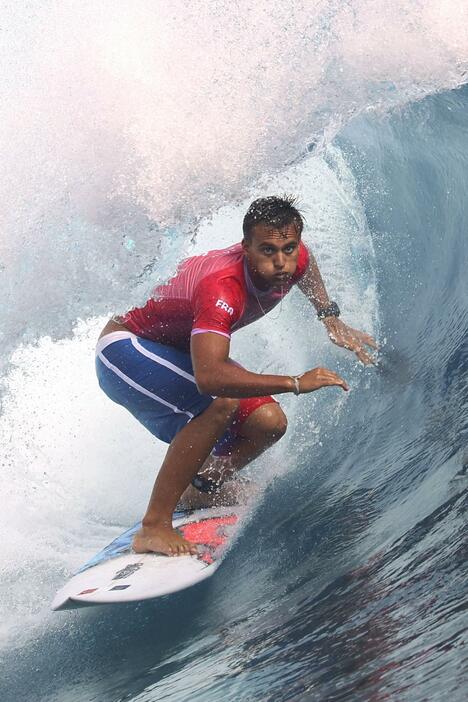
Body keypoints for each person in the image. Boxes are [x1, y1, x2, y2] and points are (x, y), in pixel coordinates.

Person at [96, 196, 377, 556]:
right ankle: (154, 526)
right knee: (222, 401)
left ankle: (201, 485)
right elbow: (210, 379)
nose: (281, 262)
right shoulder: (222, 288)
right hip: (126, 350)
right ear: (246, 248)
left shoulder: (293, 258)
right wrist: (293, 383)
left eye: (288, 248)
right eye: (268, 250)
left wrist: (329, 316)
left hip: (179, 351)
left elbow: (305, 267)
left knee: (268, 423)